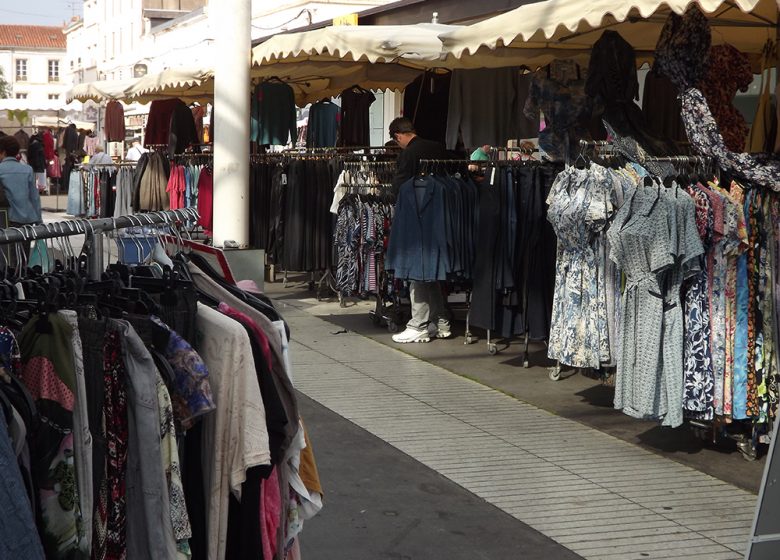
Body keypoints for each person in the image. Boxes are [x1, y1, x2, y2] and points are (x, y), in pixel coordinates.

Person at [386, 117, 452, 344]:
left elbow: (400, 187)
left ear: (398, 136)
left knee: (417, 269)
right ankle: (441, 320)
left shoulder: (408, 154)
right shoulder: (437, 147)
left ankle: (418, 325)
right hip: (442, 214)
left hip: (417, 216)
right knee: (430, 272)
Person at [0, 136, 42, 266]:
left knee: (7, 258)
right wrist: (39, 220)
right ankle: (23, 282)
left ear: (3, 152)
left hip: (7, 220)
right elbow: (34, 197)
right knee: (23, 256)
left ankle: (10, 284)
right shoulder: (27, 169)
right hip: (27, 220)